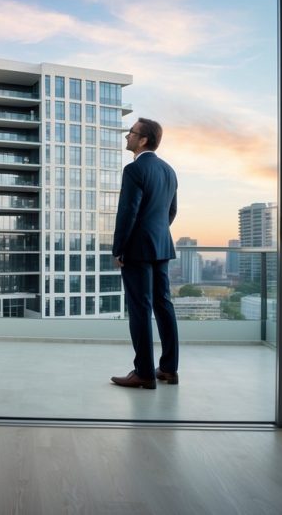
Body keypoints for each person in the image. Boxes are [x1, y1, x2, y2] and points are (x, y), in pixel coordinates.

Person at [111, 118, 179, 389]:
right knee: (164, 306)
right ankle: (169, 369)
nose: (127, 137)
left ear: (143, 140)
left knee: (140, 309)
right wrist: (157, 234)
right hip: (161, 246)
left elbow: (128, 212)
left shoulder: (134, 170)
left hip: (137, 250)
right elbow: (171, 211)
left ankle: (143, 373)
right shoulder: (169, 170)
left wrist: (119, 249)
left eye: (131, 133)